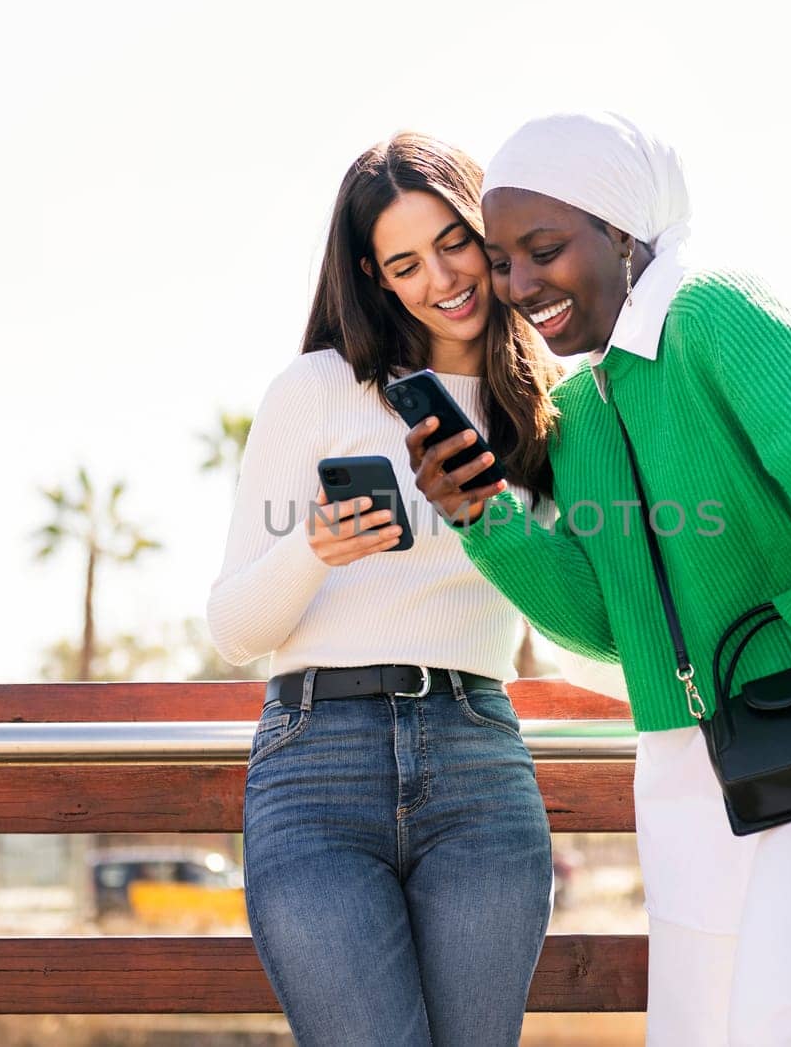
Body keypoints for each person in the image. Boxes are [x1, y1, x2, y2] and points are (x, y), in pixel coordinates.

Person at [408, 112, 791, 1047]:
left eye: (543, 249)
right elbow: (616, 622)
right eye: (502, 260)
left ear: (620, 233)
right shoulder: (581, 405)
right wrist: (482, 517)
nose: (520, 285)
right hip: (689, 765)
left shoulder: (715, 315)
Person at [207, 132, 562, 1047]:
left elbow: (572, 614)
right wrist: (315, 551)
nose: (443, 277)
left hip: (479, 756)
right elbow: (232, 629)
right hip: (317, 762)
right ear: (375, 276)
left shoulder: (552, 406)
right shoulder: (318, 388)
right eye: (405, 263)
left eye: (453, 242)